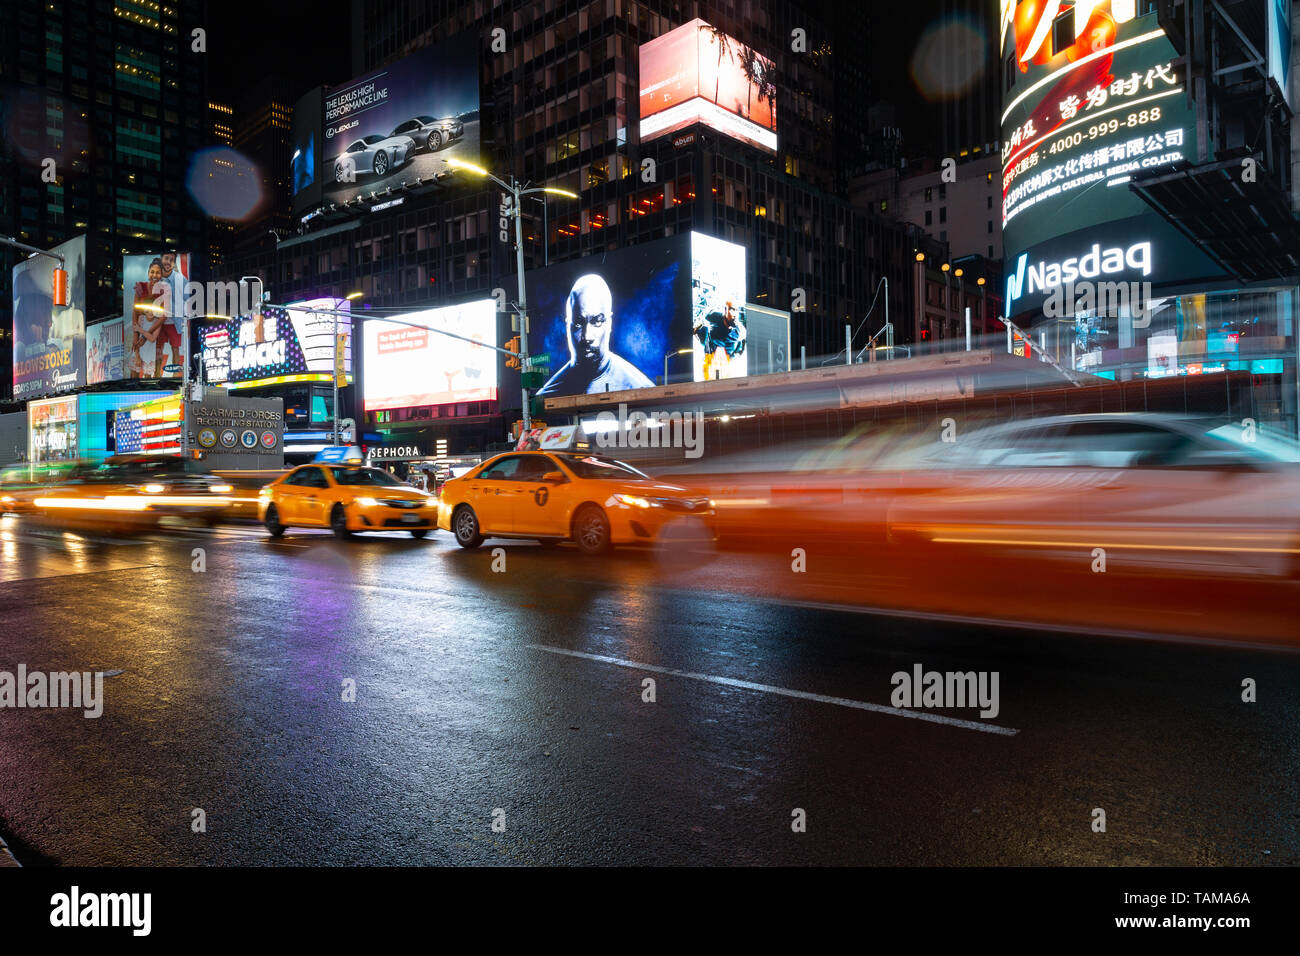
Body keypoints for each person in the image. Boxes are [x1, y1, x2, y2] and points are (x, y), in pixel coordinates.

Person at [535, 274, 654, 397]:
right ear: (567, 326)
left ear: (609, 323)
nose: (587, 337)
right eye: (578, 323)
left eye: (596, 321)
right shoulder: (545, 398)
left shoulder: (641, 388)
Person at [694, 300, 746, 380]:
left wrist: (732, 357)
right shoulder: (713, 317)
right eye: (732, 309)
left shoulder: (740, 331)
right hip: (710, 361)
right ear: (725, 310)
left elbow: (741, 349)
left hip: (725, 364)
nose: (735, 314)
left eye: (736, 310)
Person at [154, 253, 187, 377]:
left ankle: (176, 377)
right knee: (158, 349)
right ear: (162, 259)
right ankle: (157, 375)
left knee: (175, 349)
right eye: (166, 258)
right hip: (159, 322)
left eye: (172, 260)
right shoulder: (156, 276)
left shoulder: (180, 279)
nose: (168, 262)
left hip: (173, 321)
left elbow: (188, 299)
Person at [132, 259, 166, 378]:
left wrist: (145, 336)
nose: (154, 275)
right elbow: (135, 313)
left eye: (158, 272)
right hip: (141, 328)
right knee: (135, 370)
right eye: (152, 272)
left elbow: (164, 316)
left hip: (155, 331)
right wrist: (137, 341)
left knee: (153, 370)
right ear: (148, 273)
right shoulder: (140, 286)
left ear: (161, 275)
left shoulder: (163, 291)